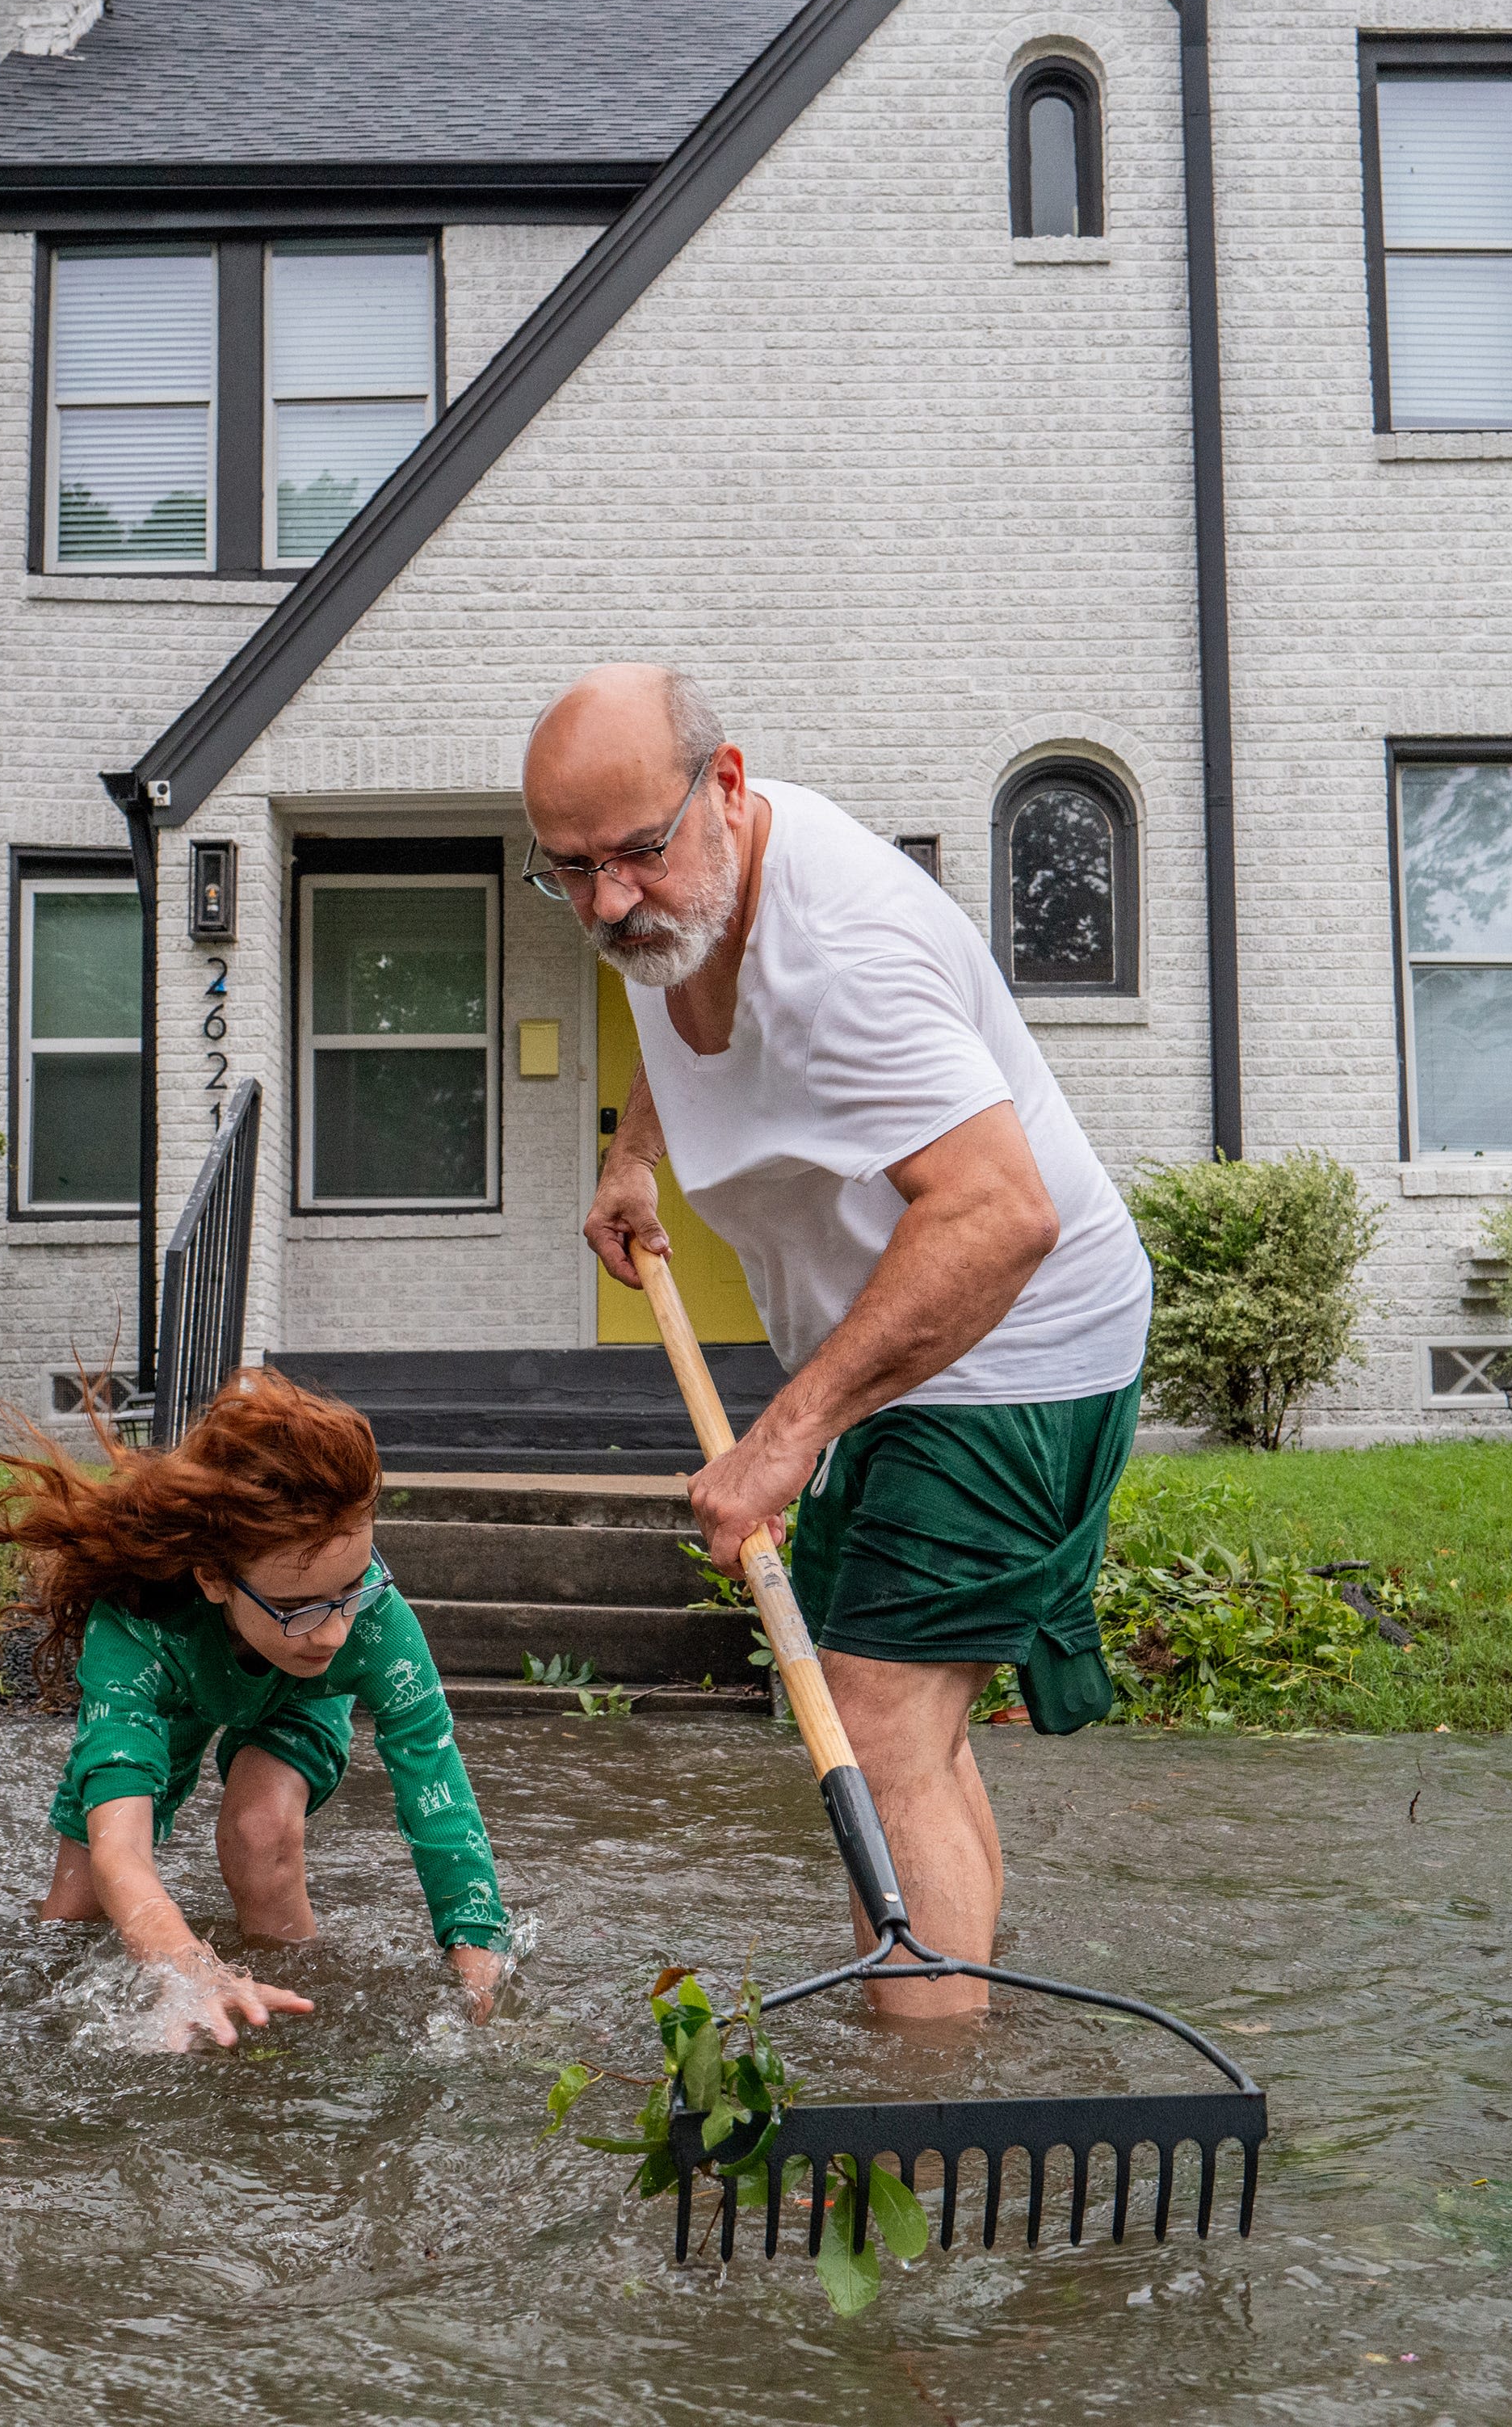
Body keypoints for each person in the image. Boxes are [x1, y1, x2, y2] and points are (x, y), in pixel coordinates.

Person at [524, 663, 1153, 2021]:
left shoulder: (847, 950)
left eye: (635, 851)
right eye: (569, 868)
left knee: (871, 1730)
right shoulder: (671, 900)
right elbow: (666, 996)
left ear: (728, 784)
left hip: (1011, 1346)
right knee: (913, 1734)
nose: (609, 899)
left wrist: (784, 1437)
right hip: (899, 1352)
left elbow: (999, 1215)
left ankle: (916, 2128)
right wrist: (640, 1156)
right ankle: (961, 2046)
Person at [0, 1368, 512, 2047]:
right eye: (299, 1608)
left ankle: (282, 2029)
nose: (334, 1633)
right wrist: (187, 1966)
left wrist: (480, 1973)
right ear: (214, 1577)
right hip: (179, 1685)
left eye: (353, 1586)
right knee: (75, 1915)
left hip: (300, 1697)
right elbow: (119, 1849)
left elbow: (439, 1800)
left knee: (260, 1829)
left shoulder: (367, 1624)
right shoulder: (135, 1626)